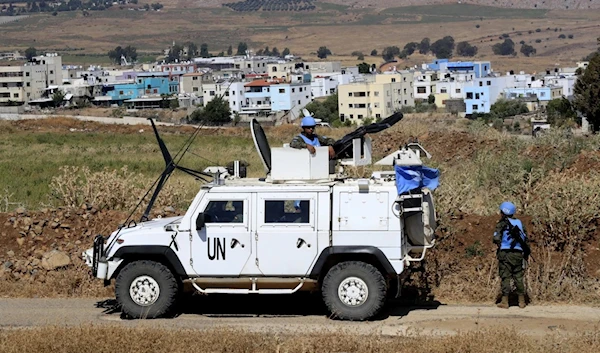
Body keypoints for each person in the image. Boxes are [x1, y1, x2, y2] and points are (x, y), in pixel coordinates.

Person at [493, 201, 529, 309]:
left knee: (506, 277)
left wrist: (500, 246)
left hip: (505, 254)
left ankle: (505, 301)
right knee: (518, 277)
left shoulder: (501, 224)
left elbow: (496, 238)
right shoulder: (519, 223)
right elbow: (526, 239)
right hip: (518, 254)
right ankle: (521, 301)